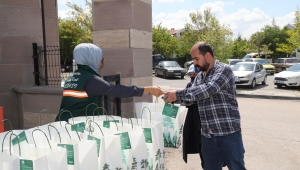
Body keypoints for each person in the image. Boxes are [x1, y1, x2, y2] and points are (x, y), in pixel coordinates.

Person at [164, 42, 246, 170]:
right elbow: (192, 99)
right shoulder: (200, 77)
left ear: (207, 55)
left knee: (236, 167)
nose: (194, 63)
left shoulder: (224, 70)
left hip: (228, 134)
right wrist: (171, 98)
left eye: (196, 59)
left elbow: (208, 89)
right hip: (207, 136)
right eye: (193, 60)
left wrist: (177, 95)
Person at [56, 43, 164, 122]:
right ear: (91, 58)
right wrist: (149, 89)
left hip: (66, 122)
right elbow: (118, 91)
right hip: (78, 126)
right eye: (101, 59)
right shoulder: (91, 79)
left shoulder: (72, 78)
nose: (101, 62)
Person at [182, 64, 204, 169]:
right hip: (194, 117)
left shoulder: (203, 84)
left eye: (194, 72)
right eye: (191, 73)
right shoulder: (189, 85)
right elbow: (186, 101)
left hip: (202, 117)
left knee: (204, 142)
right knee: (199, 142)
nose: (192, 74)